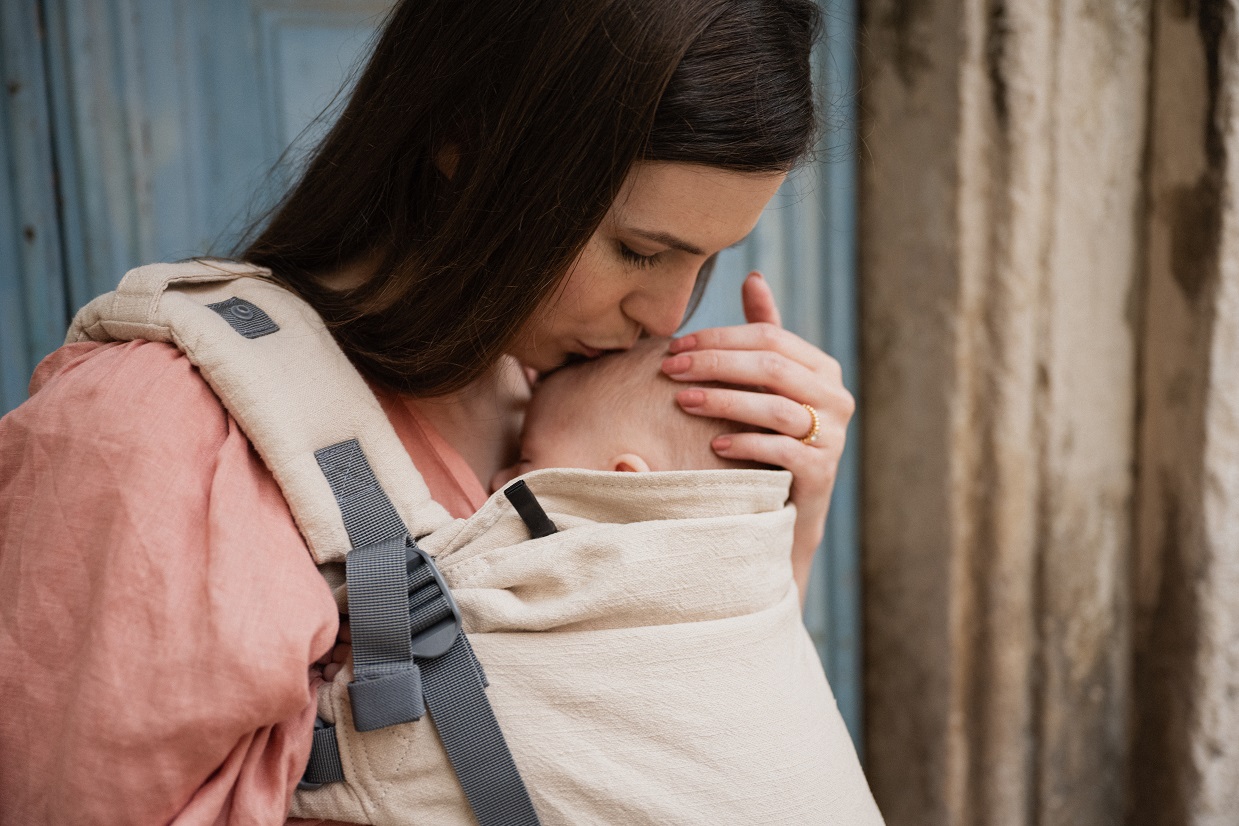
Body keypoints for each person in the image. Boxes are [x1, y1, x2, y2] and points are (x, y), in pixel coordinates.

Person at [0, 0, 856, 823]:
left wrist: (786, 527)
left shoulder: (551, 406)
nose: (667, 316)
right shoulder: (155, 433)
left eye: (705, 260)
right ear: (463, 143)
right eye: (638, 251)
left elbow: (661, 757)